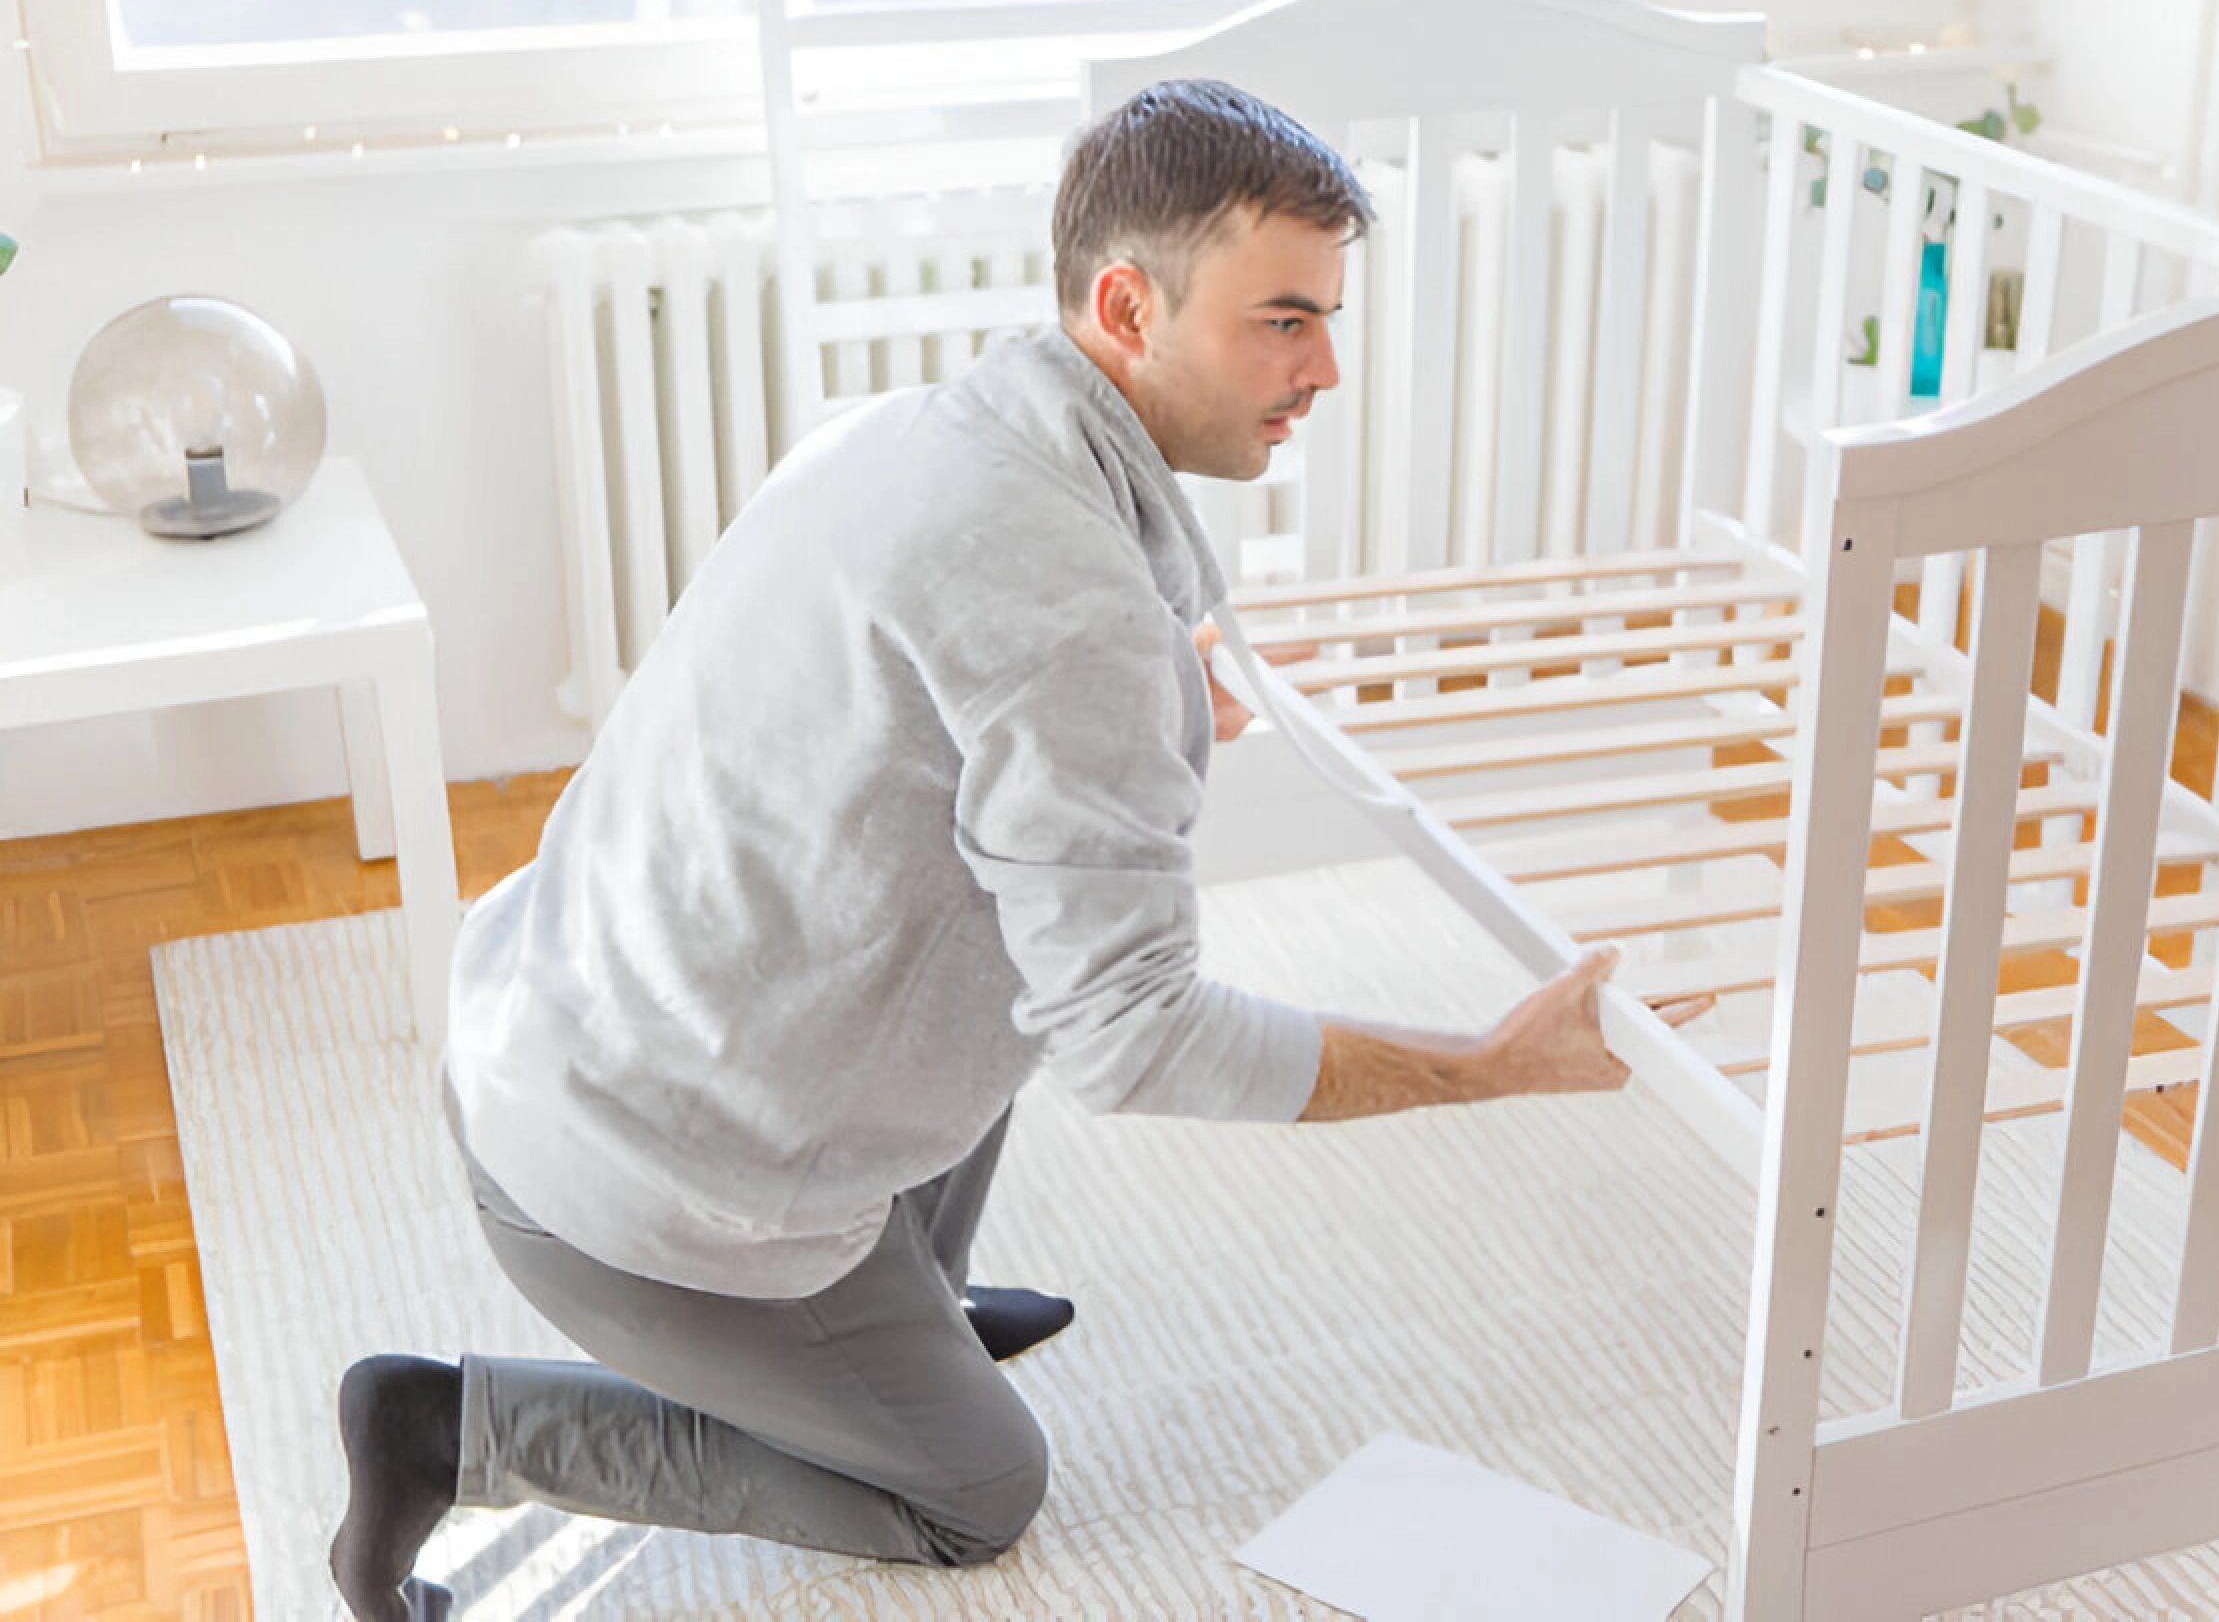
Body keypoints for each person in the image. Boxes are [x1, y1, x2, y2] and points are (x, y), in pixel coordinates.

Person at [328, 78, 1706, 1621]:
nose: (1324, 366)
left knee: (1000, 919)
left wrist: (1144, 709)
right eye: (1282, 321)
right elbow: (1134, 1040)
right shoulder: (1064, 601)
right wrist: (1480, 1064)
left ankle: (902, 1311)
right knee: (977, 1495)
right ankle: (448, 1431)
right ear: (1127, 304)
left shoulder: (927, 434)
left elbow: (924, 720)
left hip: (568, 1025)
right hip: (635, 1191)